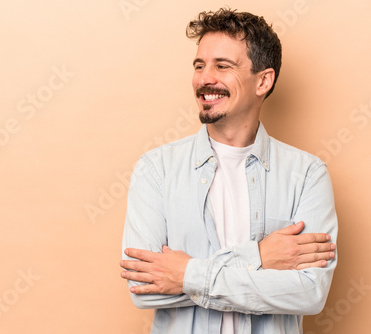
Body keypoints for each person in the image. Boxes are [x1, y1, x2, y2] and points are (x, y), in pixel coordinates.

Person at [120, 8, 338, 334]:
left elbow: (310, 293)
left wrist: (184, 275)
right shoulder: (156, 170)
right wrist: (259, 257)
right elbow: (144, 290)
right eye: (199, 65)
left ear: (263, 80)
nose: (205, 78)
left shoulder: (307, 175)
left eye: (222, 66)